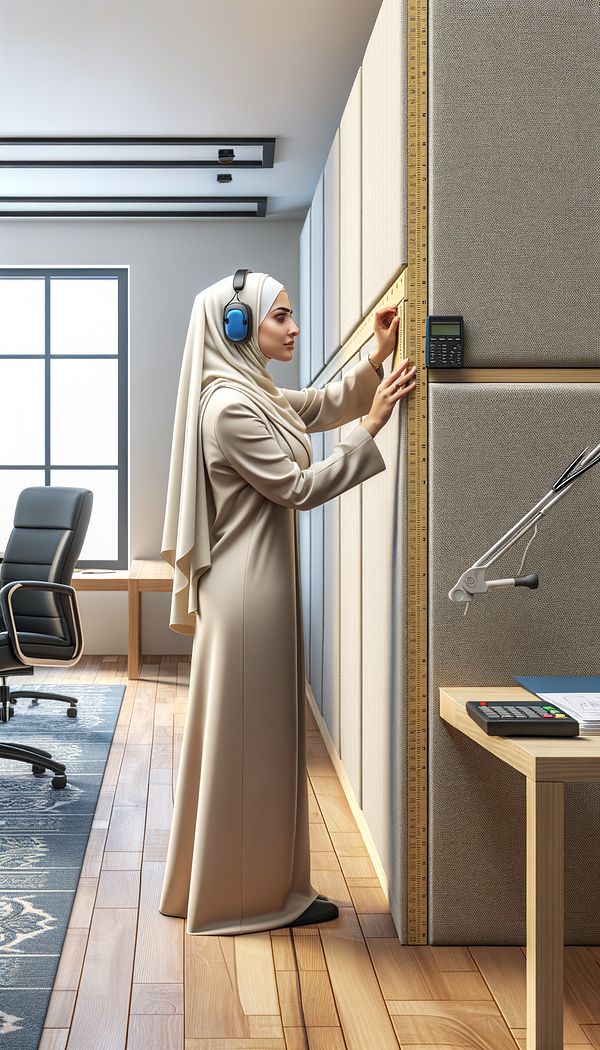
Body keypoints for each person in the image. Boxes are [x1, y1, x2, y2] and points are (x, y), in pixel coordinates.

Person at [158, 270, 417, 936]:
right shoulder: (230, 407)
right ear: (238, 326)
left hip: (255, 584)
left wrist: (374, 361)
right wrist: (372, 427)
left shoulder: (253, 392)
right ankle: (245, 898)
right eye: (280, 317)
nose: (293, 327)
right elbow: (297, 487)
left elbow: (318, 404)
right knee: (254, 746)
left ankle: (248, 884)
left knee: (257, 744)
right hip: (250, 592)